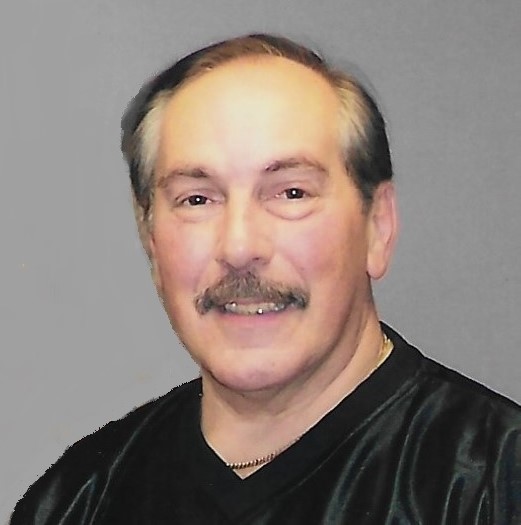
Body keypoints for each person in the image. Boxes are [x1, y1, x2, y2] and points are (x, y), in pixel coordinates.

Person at [11, 34, 521, 524]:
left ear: (377, 227)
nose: (239, 248)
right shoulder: (76, 502)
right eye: (197, 199)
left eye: (291, 193)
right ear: (151, 239)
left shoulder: (493, 482)